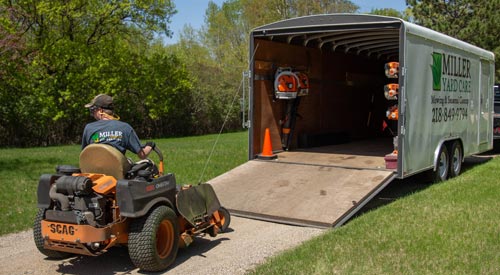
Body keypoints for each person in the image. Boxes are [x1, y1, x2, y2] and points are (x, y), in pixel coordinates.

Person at [82, 94, 154, 159]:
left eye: (93, 110)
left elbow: (85, 154)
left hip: (94, 171)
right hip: (117, 171)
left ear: (100, 110)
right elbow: (142, 155)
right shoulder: (125, 127)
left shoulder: (89, 128)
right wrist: (150, 145)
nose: (92, 113)